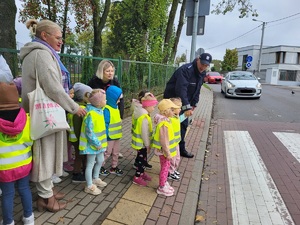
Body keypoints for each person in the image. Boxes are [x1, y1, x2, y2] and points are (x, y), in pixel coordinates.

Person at [20, 19, 86, 212]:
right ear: (44, 36)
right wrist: (74, 107)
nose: (61, 41)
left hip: (41, 112)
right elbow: (53, 87)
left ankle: (47, 190)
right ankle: (46, 198)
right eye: (58, 37)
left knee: (45, 153)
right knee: (44, 154)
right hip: (44, 114)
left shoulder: (41, 52)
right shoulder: (41, 54)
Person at [163, 53, 212, 158]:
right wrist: (187, 107)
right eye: (202, 64)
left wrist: (194, 104)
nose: (203, 67)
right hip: (173, 102)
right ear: (198, 59)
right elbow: (181, 90)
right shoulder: (186, 70)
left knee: (183, 124)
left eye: (206, 65)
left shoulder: (202, 73)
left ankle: (180, 149)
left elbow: (197, 89)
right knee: (171, 126)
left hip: (185, 102)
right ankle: (166, 148)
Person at [0, 82, 34, 225]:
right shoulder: (27, 119)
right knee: (24, 189)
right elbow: (32, 139)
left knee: (7, 195)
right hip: (24, 164)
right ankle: (29, 218)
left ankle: (8, 222)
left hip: (4, 168)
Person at [88, 60, 125, 159]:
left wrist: (121, 115)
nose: (110, 73)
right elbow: (89, 97)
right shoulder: (93, 82)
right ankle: (98, 150)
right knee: (99, 131)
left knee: (111, 132)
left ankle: (113, 150)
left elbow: (120, 99)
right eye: (108, 71)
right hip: (98, 111)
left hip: (111, 110)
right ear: (101, 71)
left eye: (112, 71)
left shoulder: (115, 82)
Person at [79, 89, 108, 195]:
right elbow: (89, 132)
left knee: (100, 160)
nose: (106, 101)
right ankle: (89, 185)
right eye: (105, 100)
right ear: (99, 103)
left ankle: (95, 178)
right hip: (92, 145)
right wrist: (97, 143)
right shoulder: (91, 114)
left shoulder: (99, 110)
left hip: (99, 145)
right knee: (90, 163)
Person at [152, 99, 181, 197]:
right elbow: (164, 141)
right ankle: (161, 187)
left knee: (165, 167)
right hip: (165, 152)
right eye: (172, 110)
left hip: (164, 152)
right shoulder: (164, 124)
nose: (174, 112)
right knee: (165, 168)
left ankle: (164, 183)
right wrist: (168, 153)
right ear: (166, 111)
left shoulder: (165, 121)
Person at [131, 92, 158, 186]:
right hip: (142, 143)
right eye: (153, 106)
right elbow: (144, 133)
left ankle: (142, 173)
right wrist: (147, 145)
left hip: (140, 143)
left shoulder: (142, 112)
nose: (154, 108)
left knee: (141, 159)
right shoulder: (144, 117)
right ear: (147, 106)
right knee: (141, 161)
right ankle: (137, 177)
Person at [69, 83, 92, 183]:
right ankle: (76, 174)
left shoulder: (78, 108)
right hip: (79, 139)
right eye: (89, 95)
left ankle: (83, 170)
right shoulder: (80, 111)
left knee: (82, 155)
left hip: (77, 138)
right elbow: (78, 127)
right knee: (80, 155)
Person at [100, 85, 124, 176]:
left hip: (116, 135)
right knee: (107, 153)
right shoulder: (106, 109)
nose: (119, 101)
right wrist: (105, 136)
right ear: (112, 98)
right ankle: (100, 166)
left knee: (116, 152)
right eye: (118, 99)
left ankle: (114, 167)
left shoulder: (115, 108)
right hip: (109, 136)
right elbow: (105, 123)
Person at [168, 97, 183, 181]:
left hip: (176, 142)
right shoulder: (170, 119)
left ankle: (173, 170)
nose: (180, 109)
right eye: (179, 107)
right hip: (171, 144)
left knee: (177, 157)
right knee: (173, 158)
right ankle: (170, 172)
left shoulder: (176, 116)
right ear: (173, 108)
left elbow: (179, 121)